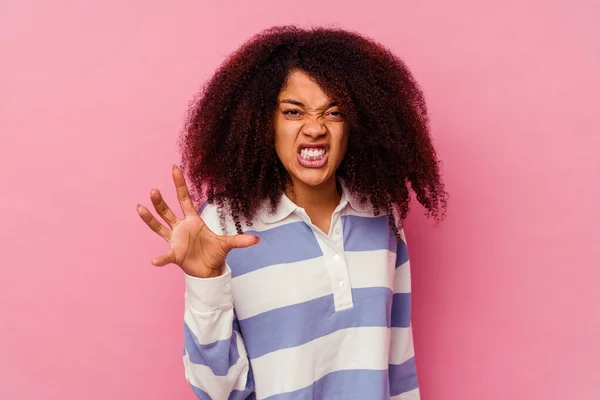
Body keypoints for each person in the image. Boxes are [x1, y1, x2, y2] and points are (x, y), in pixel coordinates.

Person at [136, 25, 447, 400]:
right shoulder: (223, 226)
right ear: (264, 123)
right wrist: (206, 283)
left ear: (356, 124)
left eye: (333, 112)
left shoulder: (381, 216)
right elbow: (215, 391)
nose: (314, 128)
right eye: (293, 111)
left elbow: (398, 362)